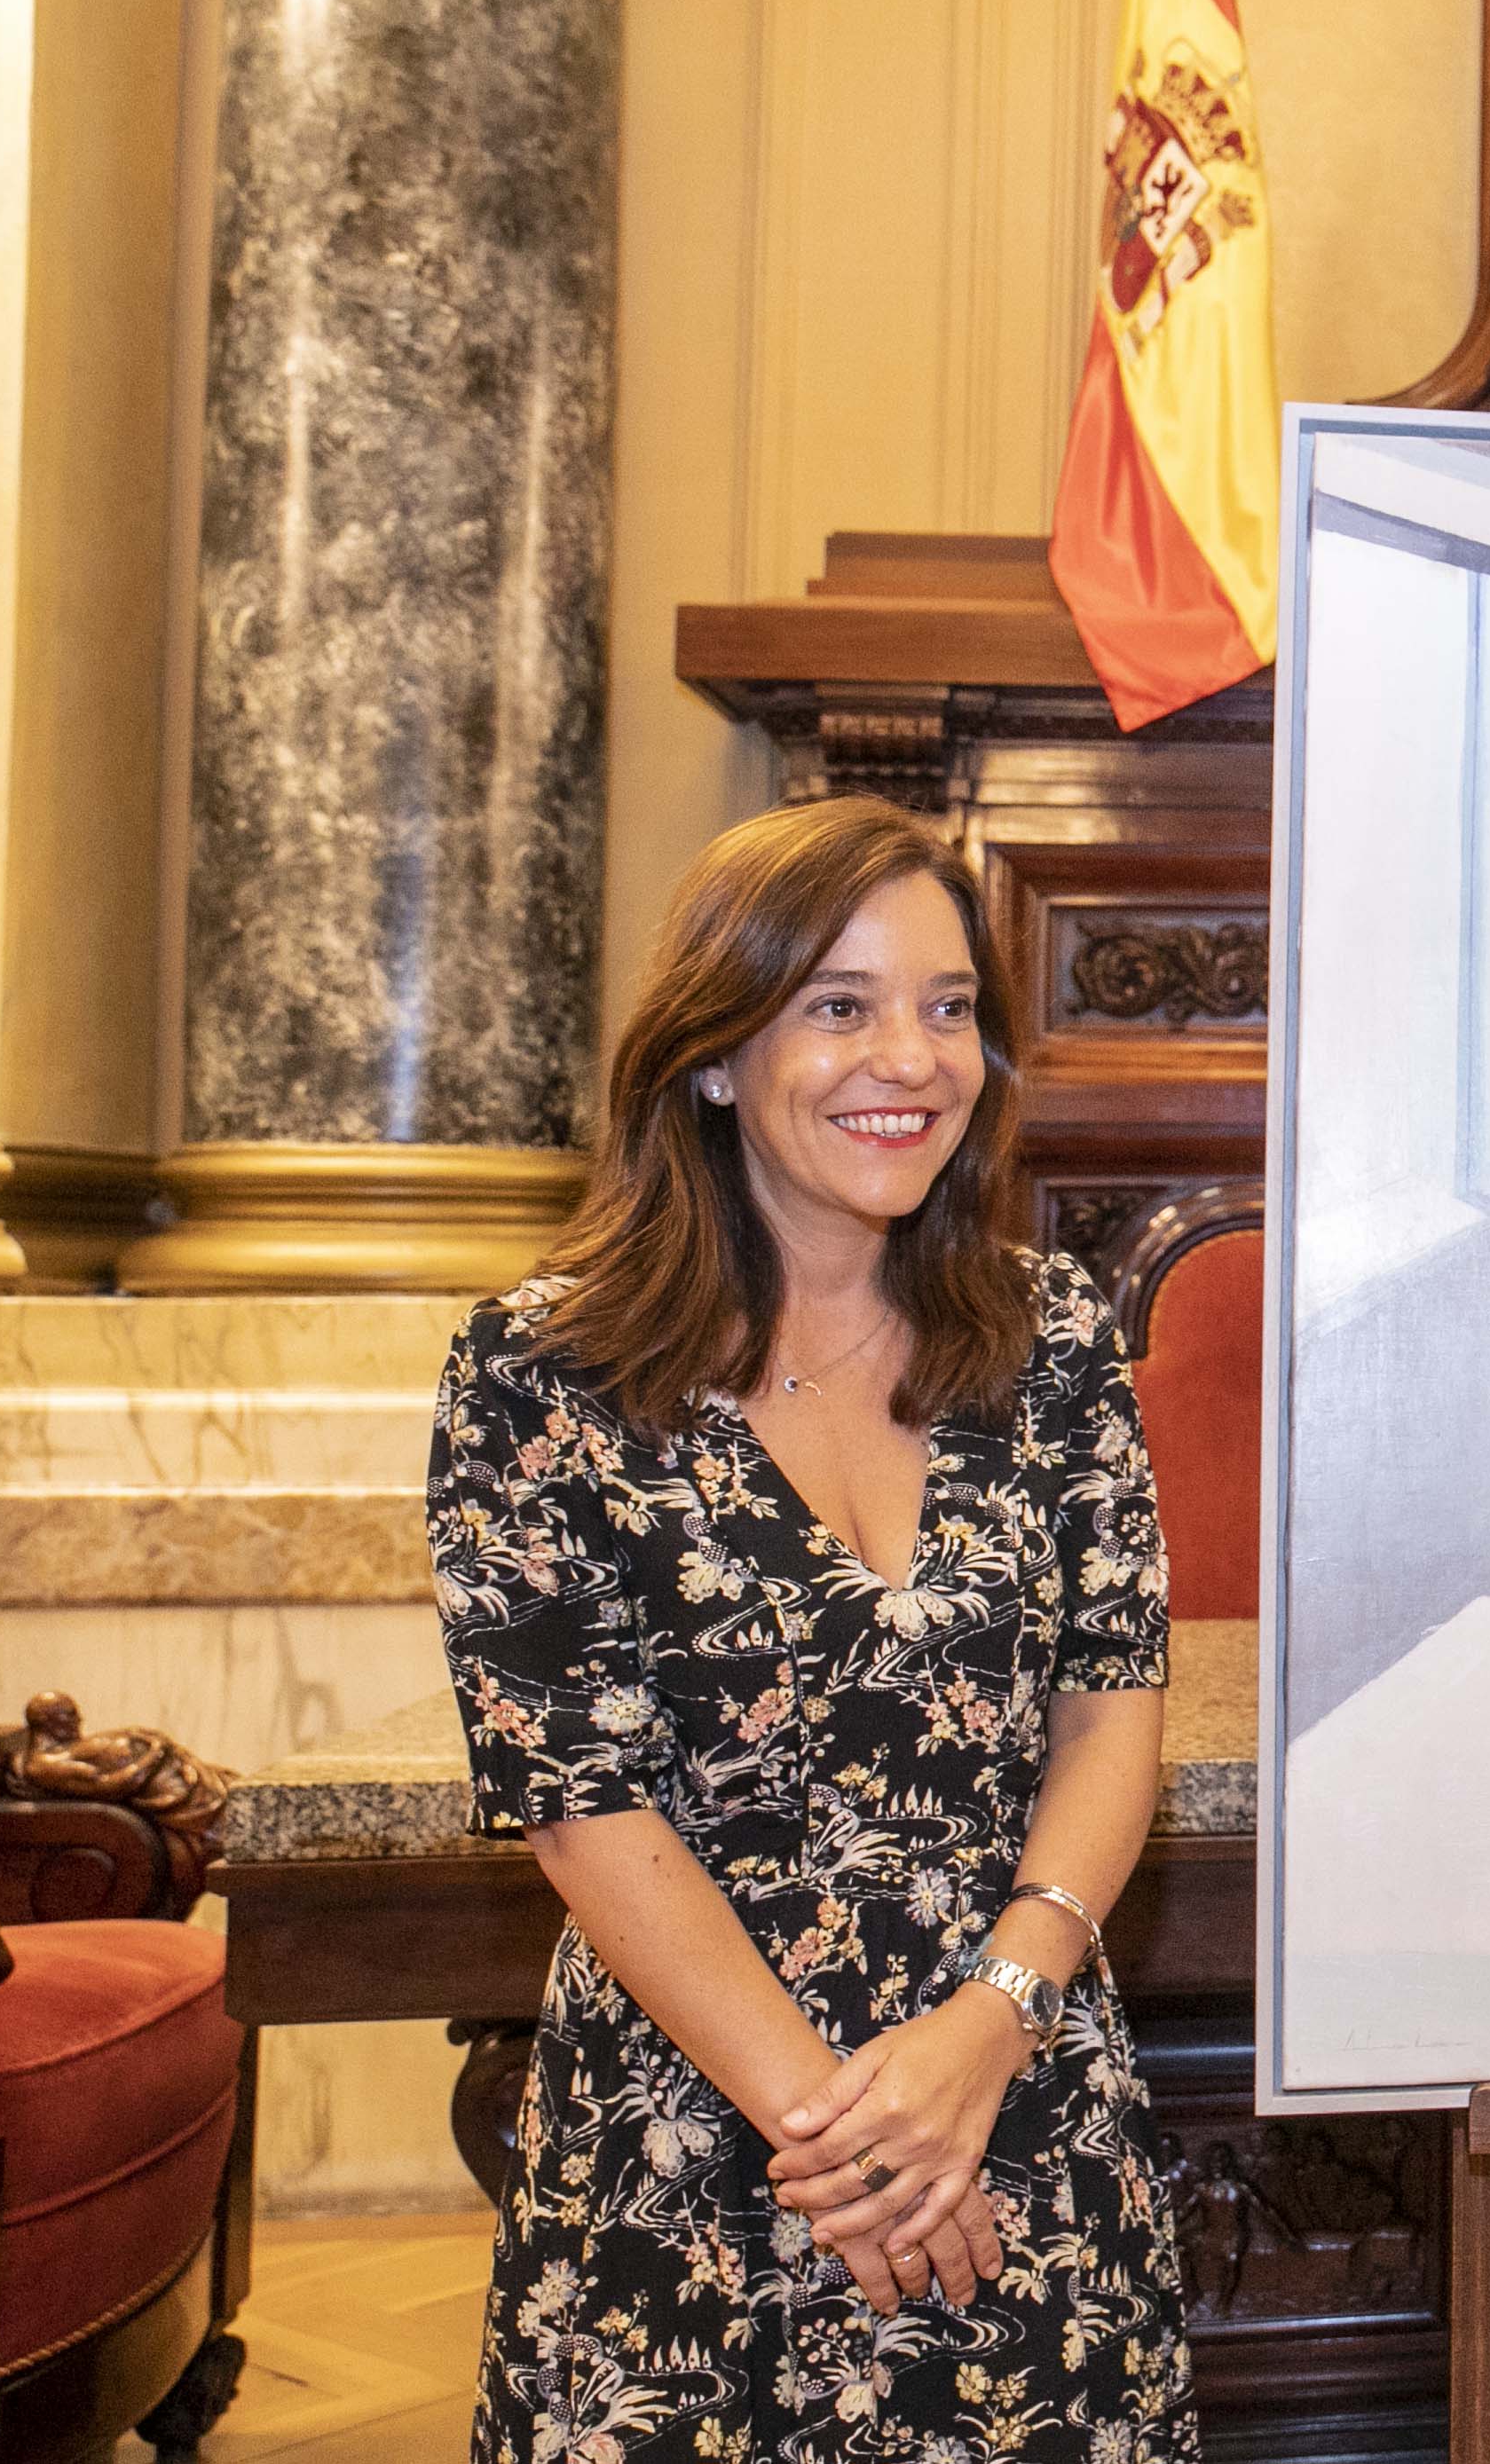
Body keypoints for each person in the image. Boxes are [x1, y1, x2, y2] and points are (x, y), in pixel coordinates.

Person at [429, 796, 1201, 2460]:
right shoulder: (541, 1372)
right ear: (714, 1051)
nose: (908, 1058)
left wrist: (992, 2023)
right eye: (840, 1006)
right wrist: (848, 2143)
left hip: (1022, 2111)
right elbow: (583, 1805)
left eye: (946, 1007)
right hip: (698, 2149)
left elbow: (1110, 1715)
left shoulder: (1052, 1334)